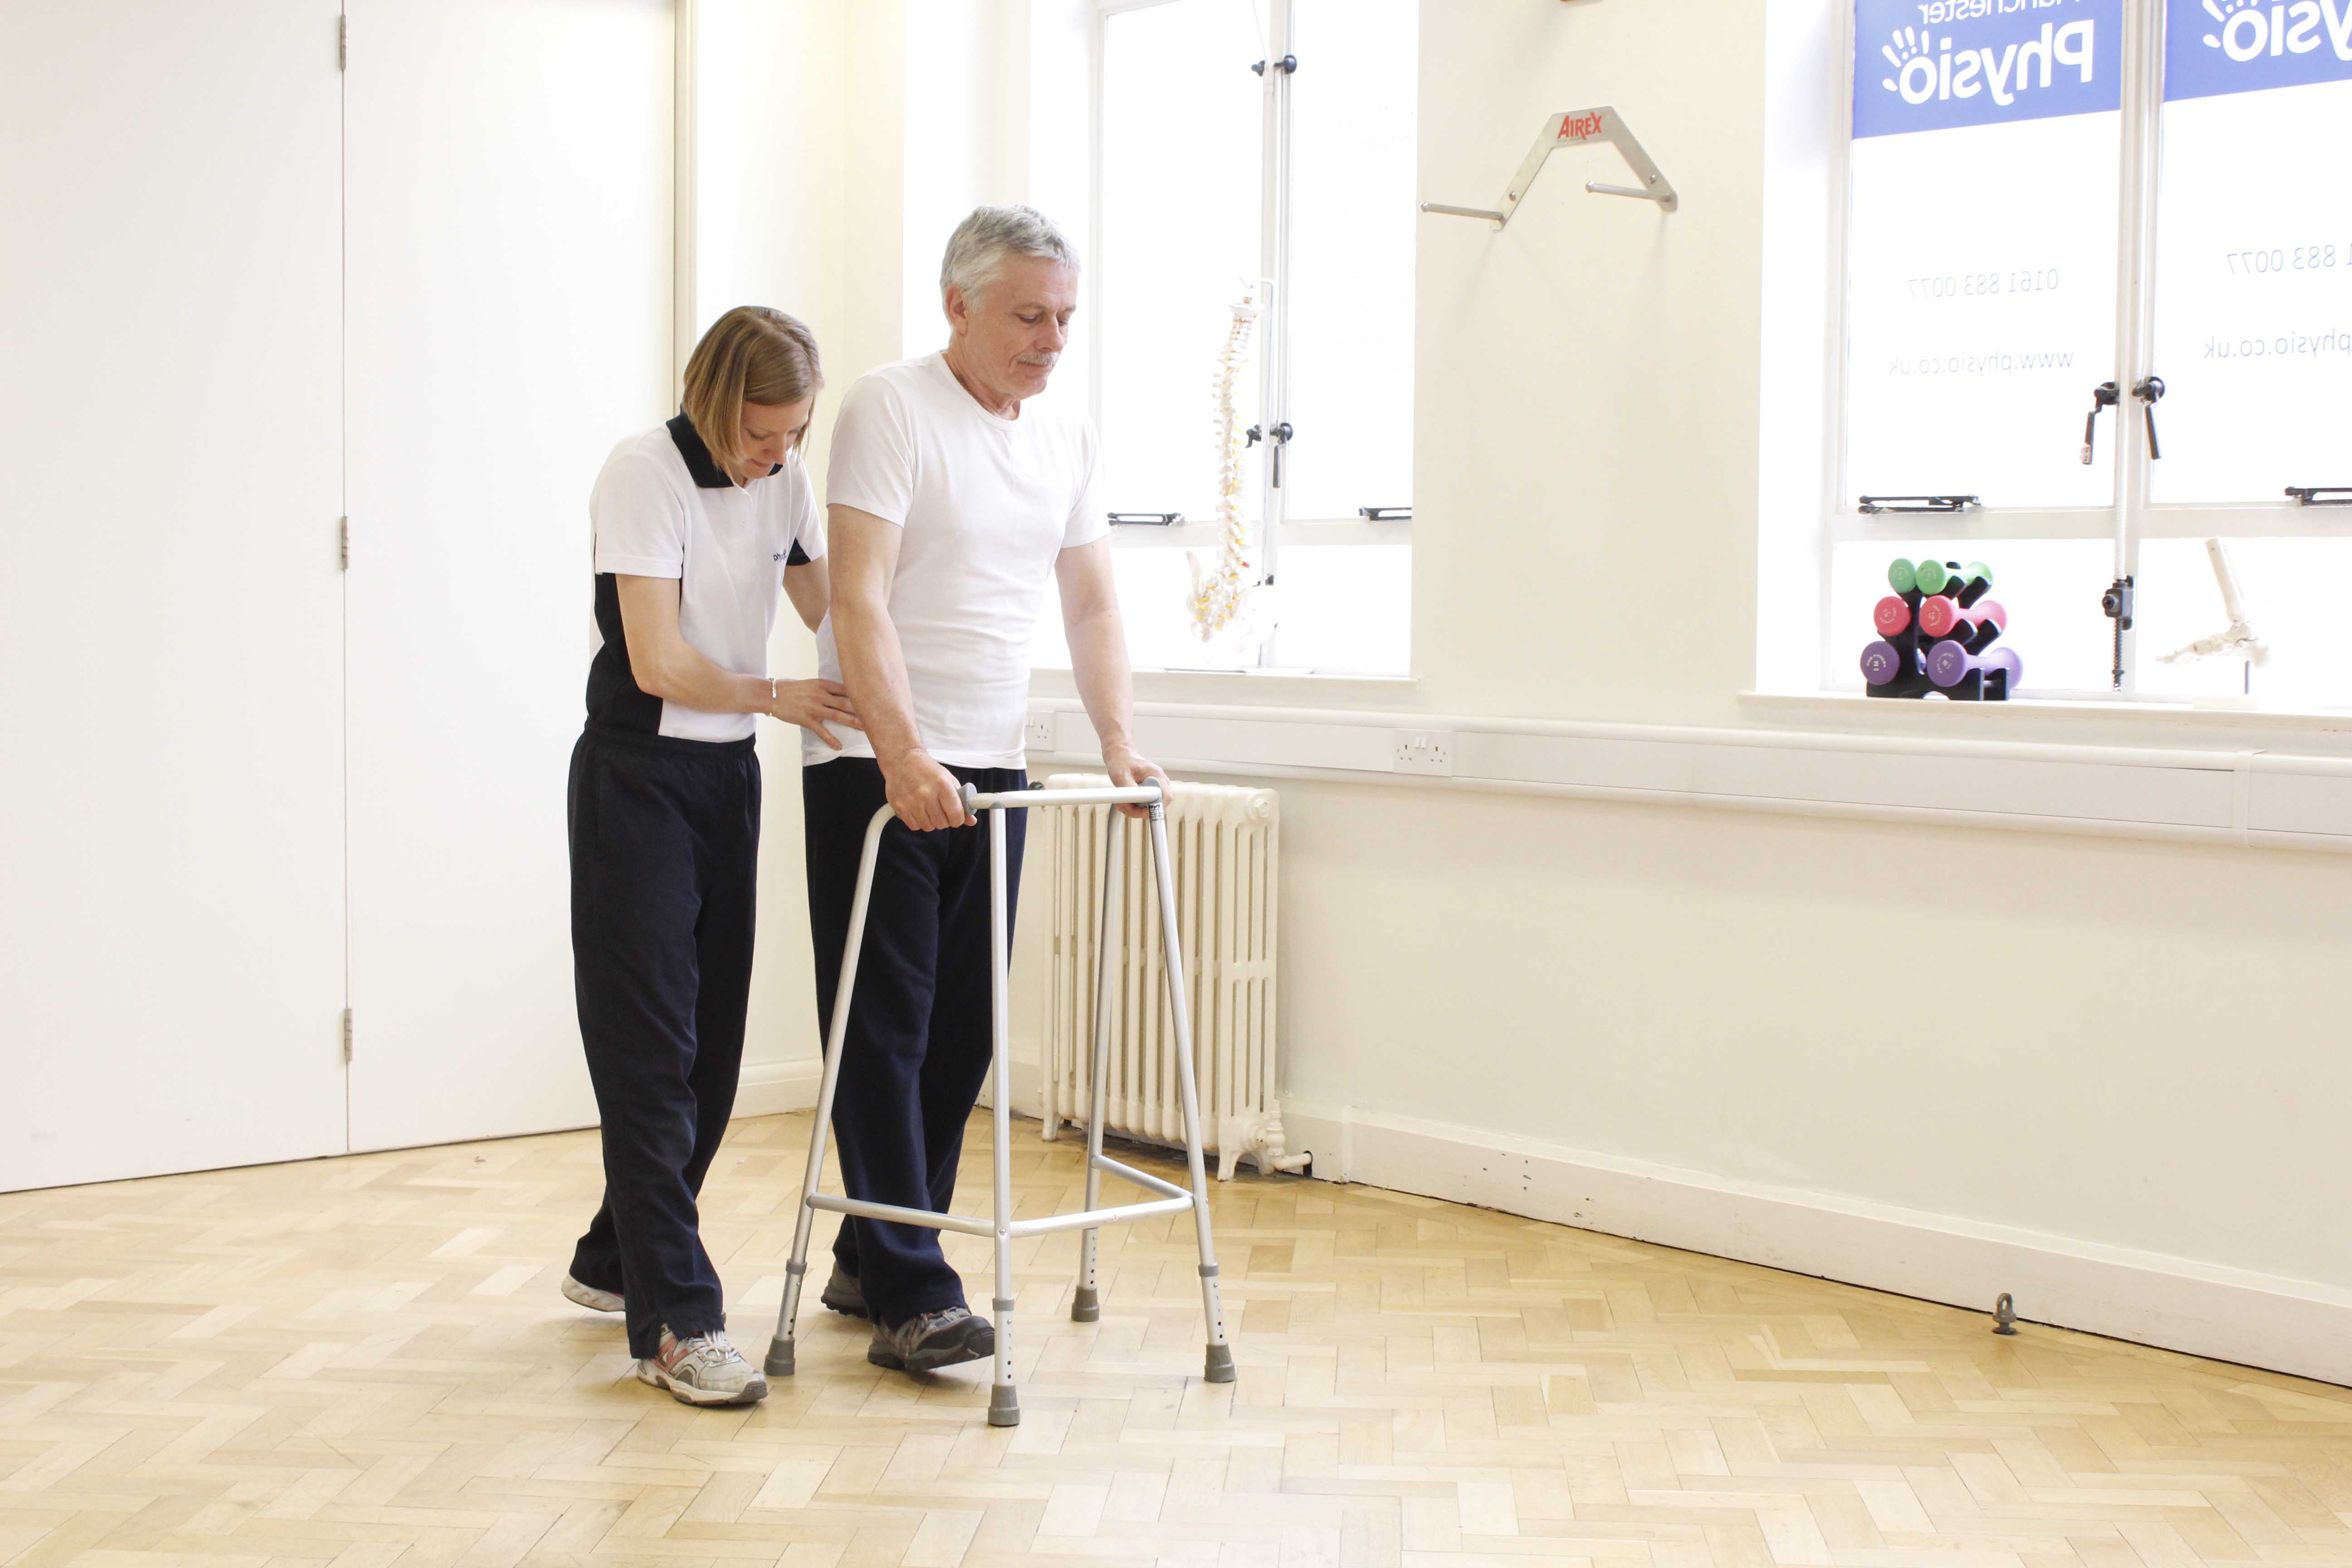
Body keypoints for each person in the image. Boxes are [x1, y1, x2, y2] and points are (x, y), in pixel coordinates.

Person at [806, 206, 1167, 1373]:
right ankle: (918, 1288)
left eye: (1065, 316)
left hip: (995, 767)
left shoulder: (1066, 434)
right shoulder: (889, 406)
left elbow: (1092, 602)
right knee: (884, 1028)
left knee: (960, 1033)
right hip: (878, 765)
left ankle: (874, 1257)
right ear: (957, 305)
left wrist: (1118, 740)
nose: (1051, 339)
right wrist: (904, 751)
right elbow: (857, 594)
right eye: (1027, 315)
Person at [561, 306, 860, 1407]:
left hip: (729, 778)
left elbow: (835, 605)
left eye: (795, 435)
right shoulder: (644, 474)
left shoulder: (783, 480)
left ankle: (613, 1256)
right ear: (710, 396)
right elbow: (657, 660)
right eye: (759, 432)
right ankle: (679, 1325)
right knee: (650, 1053)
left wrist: (898, 698)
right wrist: (781, 696)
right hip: (638, 778)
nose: (777, 454)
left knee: (711, 1064)